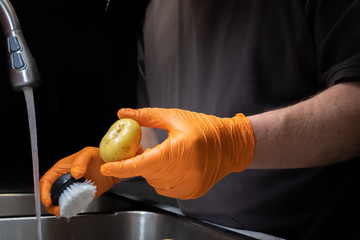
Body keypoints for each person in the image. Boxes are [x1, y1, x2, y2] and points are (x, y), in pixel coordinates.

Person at [40, 1, 360, 239]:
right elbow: (158, 135)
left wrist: (235, 143)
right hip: (194, 229)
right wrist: (112, 170)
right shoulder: (156, 11)